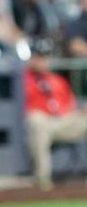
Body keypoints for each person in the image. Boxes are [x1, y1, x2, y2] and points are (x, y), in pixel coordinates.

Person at [24, 45, 87, 190]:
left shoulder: (58, 80)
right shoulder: (23, 79)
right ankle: (42, 180)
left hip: (64, 121)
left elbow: (70, 106)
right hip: (42, 122)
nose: (42, 61)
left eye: (44, 58)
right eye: (38, 57)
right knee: (36, 122)